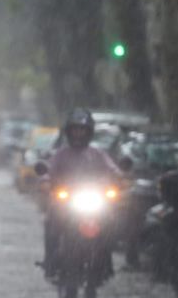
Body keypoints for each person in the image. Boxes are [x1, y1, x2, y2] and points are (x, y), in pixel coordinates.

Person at [40, 109, 124, 277]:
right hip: (67, 204)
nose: (78, 134)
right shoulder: (61, 154)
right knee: (51, 224)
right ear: (69, 132)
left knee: (110, 224)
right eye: (75, 130)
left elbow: (113, 170)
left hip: (93, 203)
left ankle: (106, 261)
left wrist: (119, 177)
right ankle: (50, 261)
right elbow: (48, 170)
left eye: (82, 130)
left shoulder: (97, 154)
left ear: (89, 132)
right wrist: (46, 180)